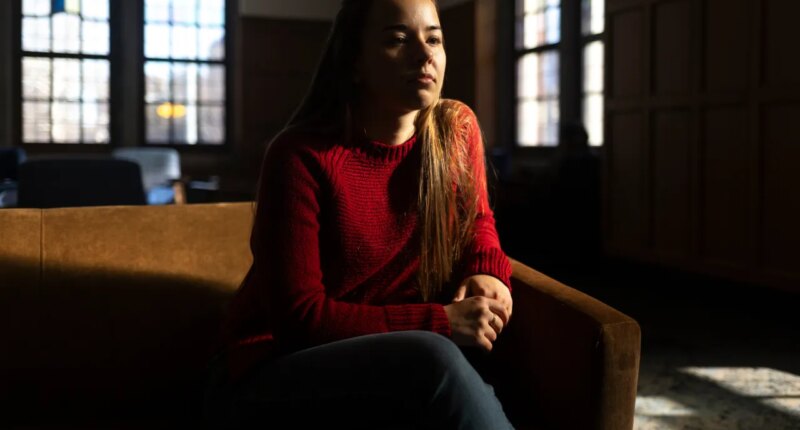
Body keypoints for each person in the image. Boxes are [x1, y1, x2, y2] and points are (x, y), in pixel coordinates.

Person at [203, 0, 515, 428]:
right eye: (397, 40)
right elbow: (302, 320)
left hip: (389, 357)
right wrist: (440, 322)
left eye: (434, 39)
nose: (424, 55)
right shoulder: (300, 156)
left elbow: (476, 221)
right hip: (272, 367)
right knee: (435, 357)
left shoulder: (455, 130)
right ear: (354, 62)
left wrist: (488, 270)